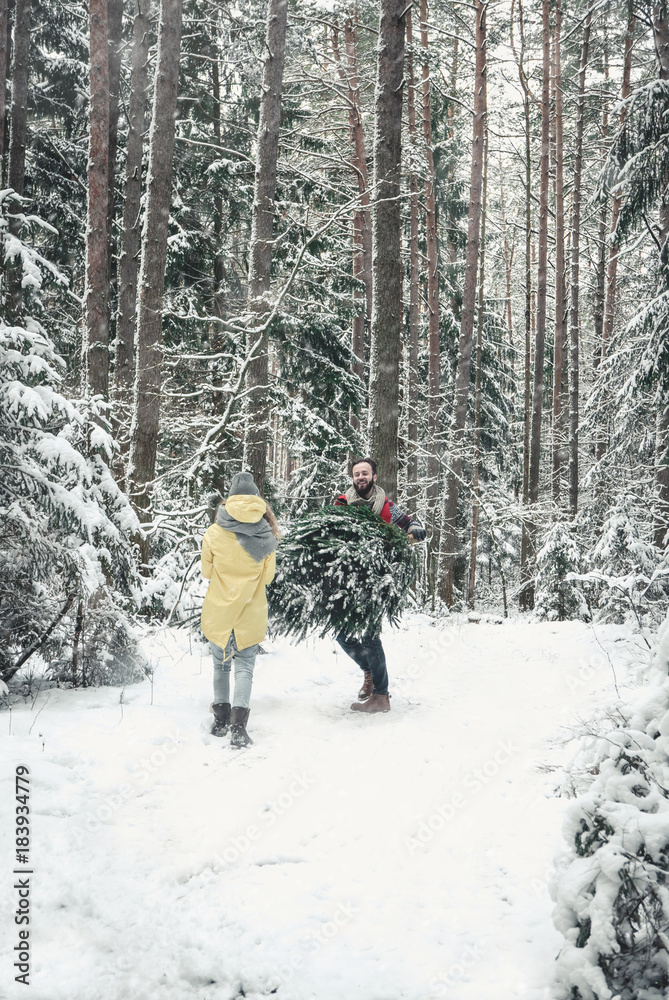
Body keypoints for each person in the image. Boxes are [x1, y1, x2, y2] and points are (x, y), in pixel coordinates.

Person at [334, 457, 426, 714]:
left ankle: (381, 696)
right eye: (356, 474)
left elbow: (409, 523)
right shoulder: (341, 505)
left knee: (370, 637)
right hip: (347, 581)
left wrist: (416, 527)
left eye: (365, 473)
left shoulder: (386, 506)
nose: (360, 477)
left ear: (374, 477)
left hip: (376, 580)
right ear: (352, 478)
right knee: (343, 635)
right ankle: (370, 673)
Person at [200, 472, 279, 748]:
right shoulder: (265, 533)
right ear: (256, 498)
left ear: (230, 498)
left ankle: (220, 720)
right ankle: (238, 728)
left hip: (219, 609)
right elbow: (268, 578)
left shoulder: (214, 532)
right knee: (244, 668)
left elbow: (206, 571)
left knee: (220, 666)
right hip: (251, 611)